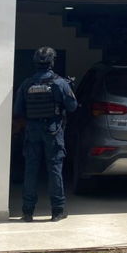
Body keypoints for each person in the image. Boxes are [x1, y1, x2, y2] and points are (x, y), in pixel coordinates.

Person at [13, 47, 77, 223]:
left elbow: (18, 110)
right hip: (53, 130)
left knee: (31, 170)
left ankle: (27, 212)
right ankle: (57, 211)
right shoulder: (59, 83)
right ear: (52, 62)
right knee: (54, 168)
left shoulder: (27, 84)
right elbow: (72, 107)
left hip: (33, 130)